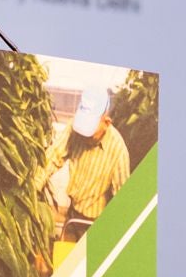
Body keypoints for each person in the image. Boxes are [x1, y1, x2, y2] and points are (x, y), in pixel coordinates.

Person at [39, 86, 131, 239]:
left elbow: (122, 204)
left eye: (90, 133)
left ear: (106, 123)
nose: (84, 137)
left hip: (97, 225)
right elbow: (53, 157)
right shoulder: (75, 130)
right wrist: (33, 187)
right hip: (73, 216)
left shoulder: (118, 151)